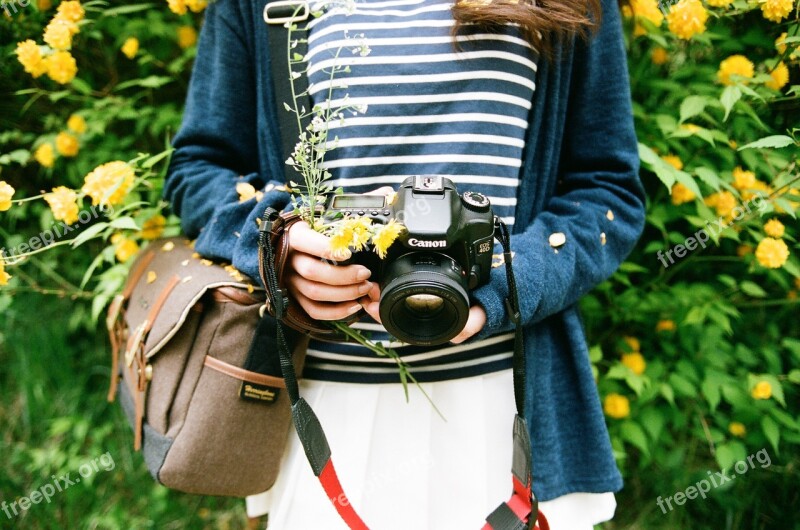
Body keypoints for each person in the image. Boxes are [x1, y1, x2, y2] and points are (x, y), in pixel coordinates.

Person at [164, 0, 645, 527]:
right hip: (326, 399)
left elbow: (606, 191)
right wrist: (279, 244)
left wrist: (506, 286)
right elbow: (198, 169)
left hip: (507, 398)